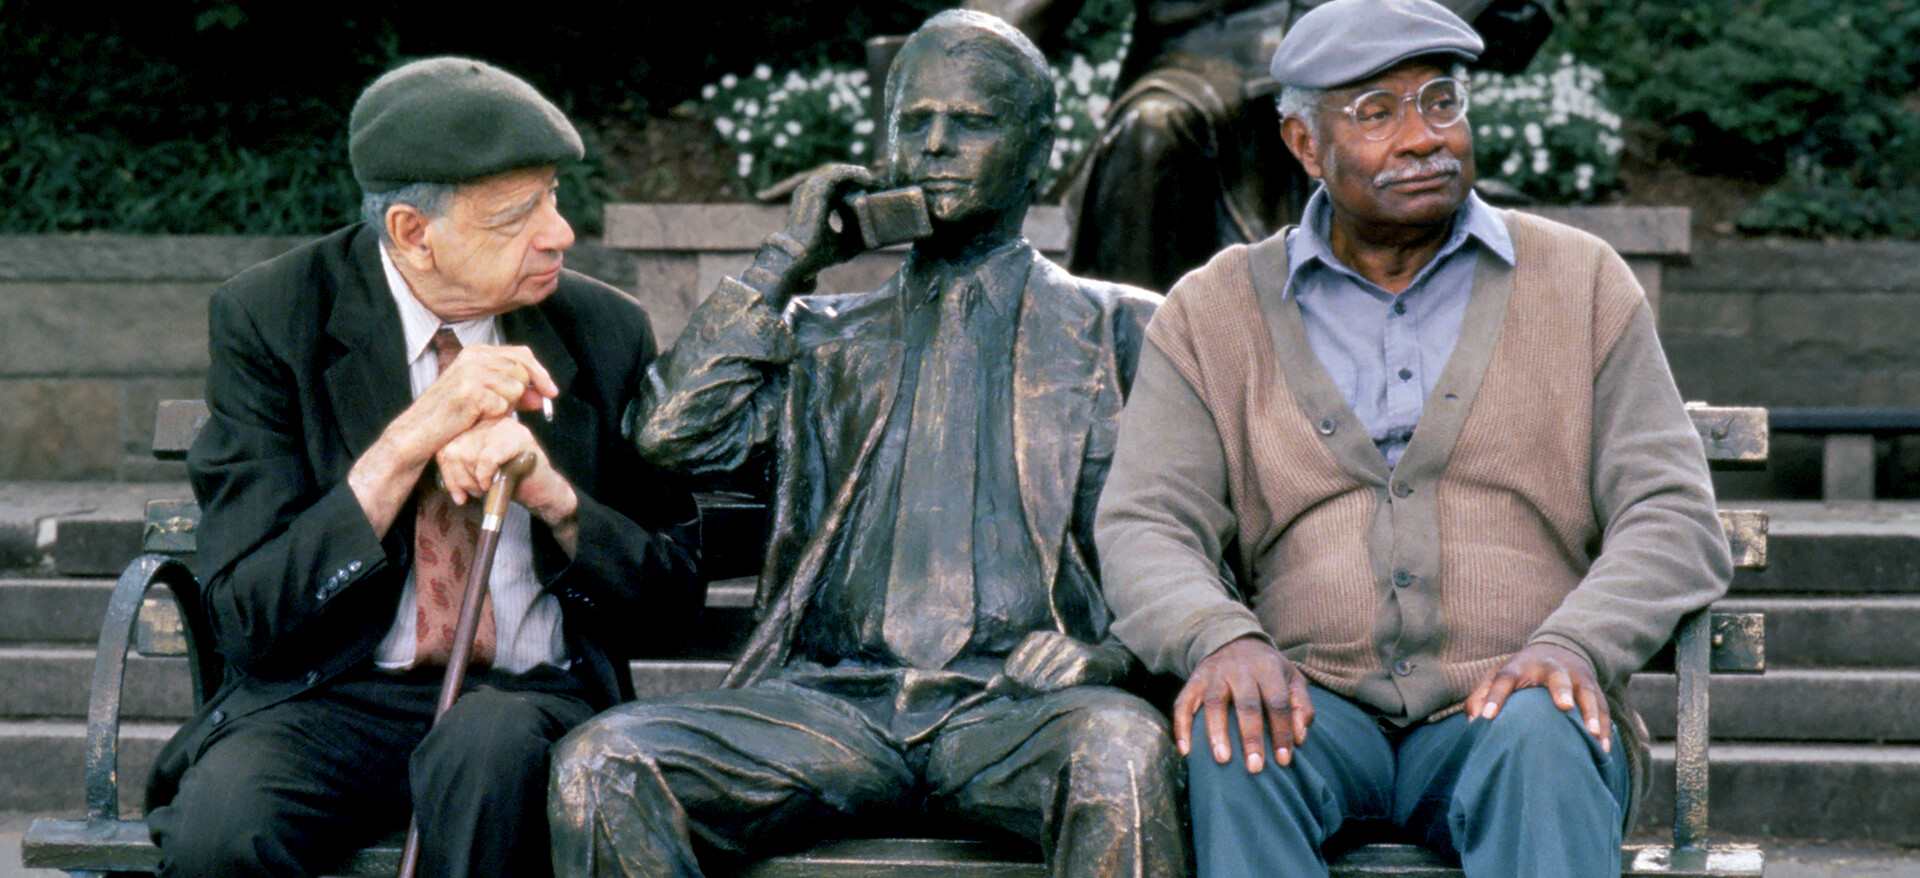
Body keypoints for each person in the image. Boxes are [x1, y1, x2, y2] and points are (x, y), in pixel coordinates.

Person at [1092, 1, 1732, 876]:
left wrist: (1575, 644)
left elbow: (1671, 514)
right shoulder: (1212, 312)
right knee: (1235, 740)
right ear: (1305, 145)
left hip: (1514, 712)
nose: (1423, 138)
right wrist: (1219, 638)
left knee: (1545, 731)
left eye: (1441, 101)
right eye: (1376, 112)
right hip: (1314, 710)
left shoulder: (1582, 283)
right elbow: (1147, 523)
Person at [547, 11, 1186, 878]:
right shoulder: (820, 337)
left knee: (1120, 753)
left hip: (1023, 707)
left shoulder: (1127, 332)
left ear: (1041, 151)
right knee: (603, 765)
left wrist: (1115, 656)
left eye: (971, 122)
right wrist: (785, 261)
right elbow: (666, 437)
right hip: (832, 706)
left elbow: (1198, 535)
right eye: (914, 122)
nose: (936, 145)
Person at [143, 57, 703, 878]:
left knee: (484, 755)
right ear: (412, 232)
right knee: (222, 833)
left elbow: (670, 603)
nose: (559, 233)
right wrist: (409, 442)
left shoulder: (604, 330)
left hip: (527, 699)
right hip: (329, 694)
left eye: (552, 196)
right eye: (516, 216)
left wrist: (555, 499)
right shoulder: (273, 316)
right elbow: (249, 617)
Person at [964, 0, 1558, 294]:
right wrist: (964, 75)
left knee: (1385, 133)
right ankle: (1132, 379)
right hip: (1195, 66)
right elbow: (1008, 17)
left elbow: (1517, 28)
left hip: (1358, 57)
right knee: (1152, 132)